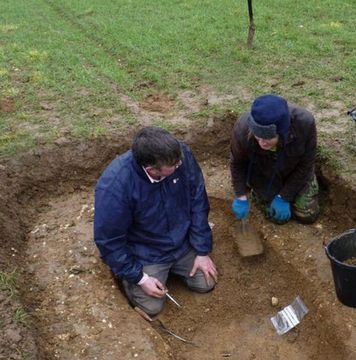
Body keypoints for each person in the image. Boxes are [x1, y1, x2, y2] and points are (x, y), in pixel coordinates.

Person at [94, 126, 218, 317]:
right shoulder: (116, 186)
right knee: (152, 307)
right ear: (151, 169)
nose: (179, 167)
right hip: (146, 252)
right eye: (174, 168)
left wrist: (202, 250)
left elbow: (198, 200)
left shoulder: (179, 155)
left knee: (206, 283)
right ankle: (126, 280)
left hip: (182, 244)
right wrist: (140, 278)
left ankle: (176, 266)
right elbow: (109, 240)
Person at [230, 94, 319, 224]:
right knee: (276, 217)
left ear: (282, 131)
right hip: (263, 172)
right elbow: (237, 163)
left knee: (307, 215)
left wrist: (284, 197)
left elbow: (306, 165)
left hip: (293, 171)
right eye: (257, 136)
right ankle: (258, 194)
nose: (262, 142)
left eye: (268, 138)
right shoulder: (242, 128)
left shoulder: (304, 125)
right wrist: (241, 196)